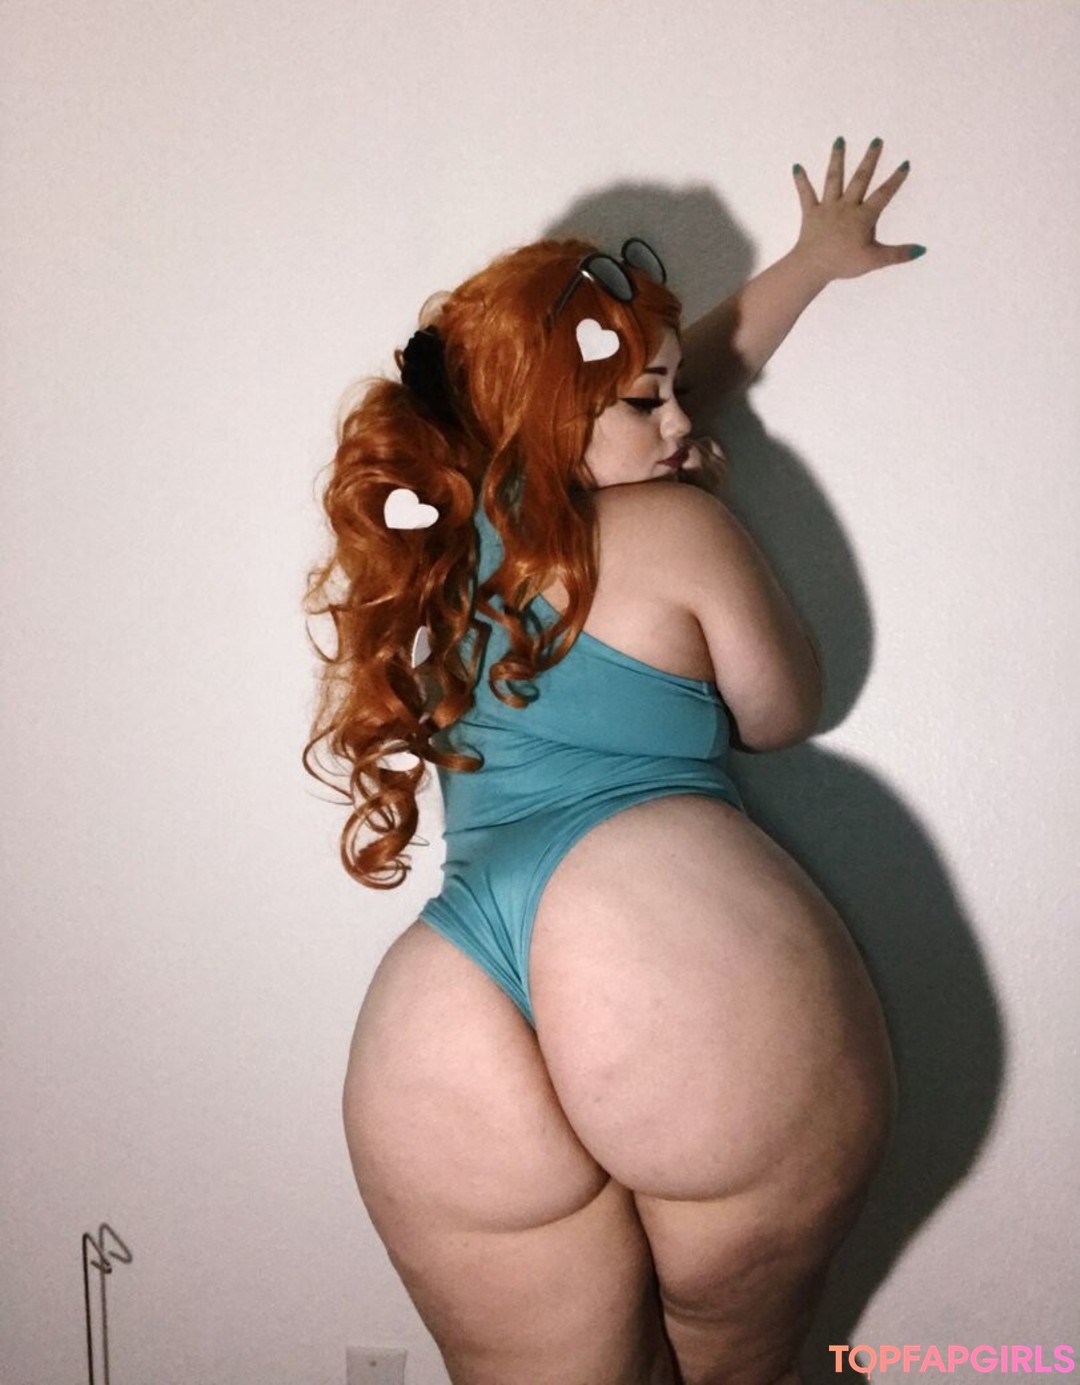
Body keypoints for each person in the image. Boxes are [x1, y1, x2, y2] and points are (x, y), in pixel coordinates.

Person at [304, 136, 922, 1385]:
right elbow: (784, 709)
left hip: (446, 999)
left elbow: (639, 394)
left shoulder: (436, 551)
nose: (682, 420)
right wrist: (707, 511)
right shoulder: (676, 522)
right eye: (652, 403)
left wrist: (801, 272)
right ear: (559, 410)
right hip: (668, 953)